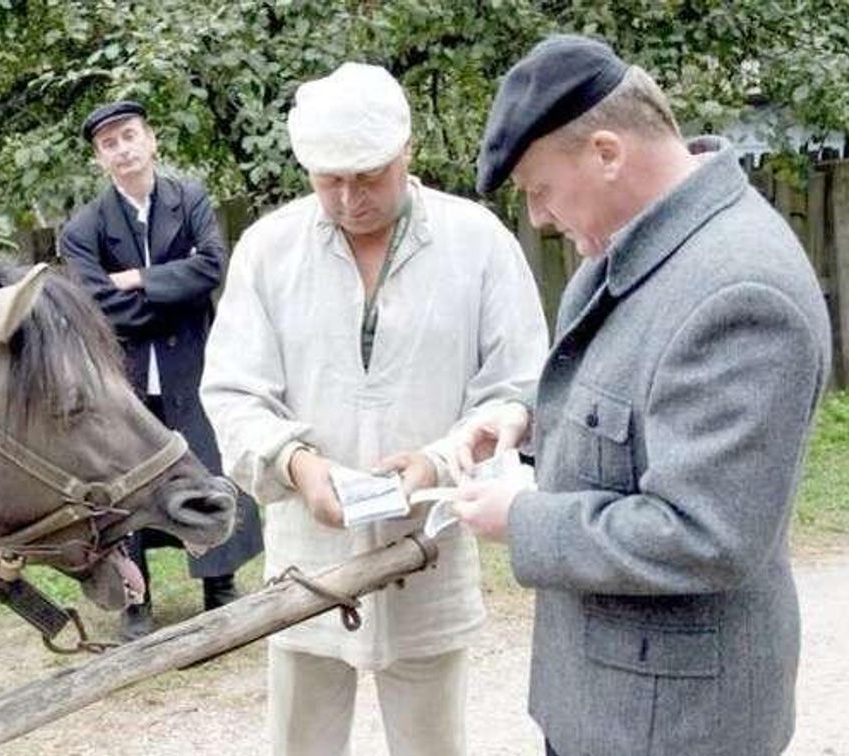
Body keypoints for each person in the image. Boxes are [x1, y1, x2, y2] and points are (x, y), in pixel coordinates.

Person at [449, 35, 833, 756]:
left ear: (606, 152)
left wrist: (522, 520)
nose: (536, 216)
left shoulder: (738, 289)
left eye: (538, 189)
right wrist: (526, 419)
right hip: (616, 701)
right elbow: (634, 391)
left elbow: (707, 535)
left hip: (677, 726)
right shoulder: (645, 244)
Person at [200, 63, 549, 756]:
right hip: (307, 561)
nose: (349, 197)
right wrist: (294, 463)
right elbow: (234, 391)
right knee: (301, 745)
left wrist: (435, 460)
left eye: (367, 176)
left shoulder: (477, 242)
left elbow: (519, 385)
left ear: (406, 151)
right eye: (328, 179)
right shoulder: (270, 249)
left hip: (428, 551)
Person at [60, 100, 263, 640]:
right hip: (123, 376)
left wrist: (138, 280)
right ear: (99, 159)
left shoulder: (190, 198)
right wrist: (168, 289)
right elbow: (95, 302)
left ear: (151, 141)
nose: (122, 149)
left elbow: (212, 267)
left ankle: (219, 582)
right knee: (123, 482)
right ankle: (134, 598)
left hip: (193, 363)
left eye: (129, 136)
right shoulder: (83, 228)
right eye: (109, 144)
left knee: (206, 464)